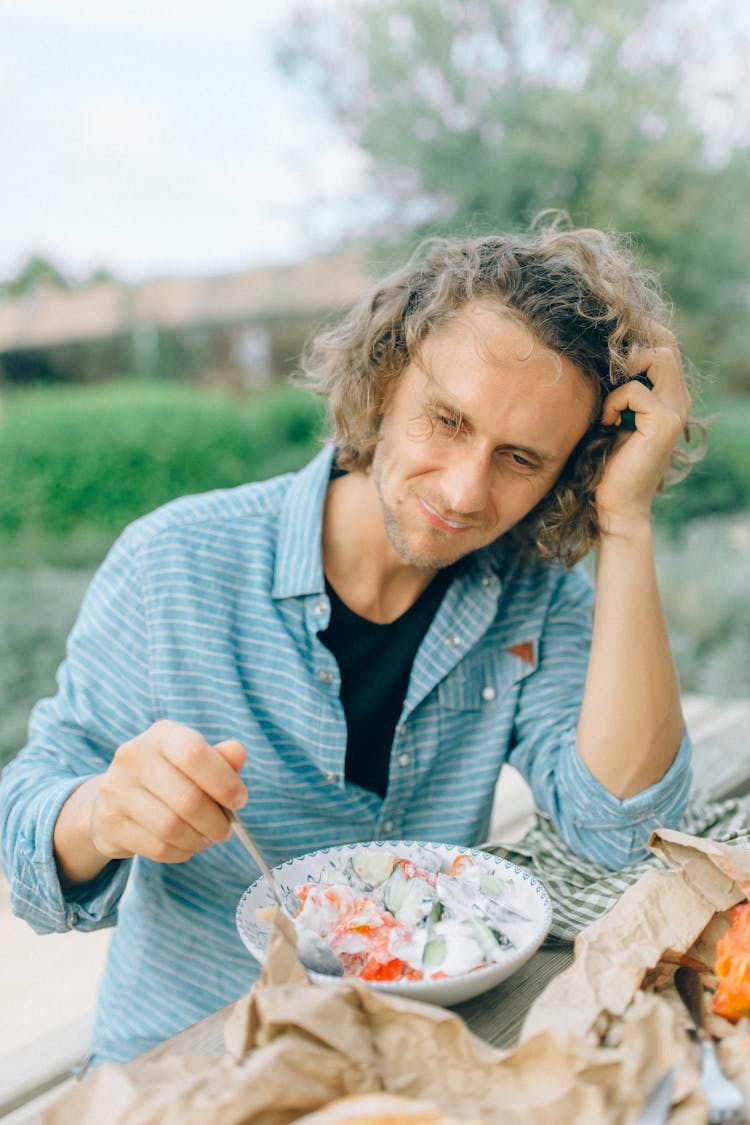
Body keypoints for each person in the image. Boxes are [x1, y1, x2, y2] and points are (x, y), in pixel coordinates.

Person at [0, 220, 699, 1064]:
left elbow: (621, 826)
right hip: (182, 1071)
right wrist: (104, 814)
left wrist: (625, 520)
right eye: (446, 419)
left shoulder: (537, 602)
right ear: (383, 380)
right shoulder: (172, 564)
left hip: (411, 1068)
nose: (464, 488)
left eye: (520, 457)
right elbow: (26, 832)